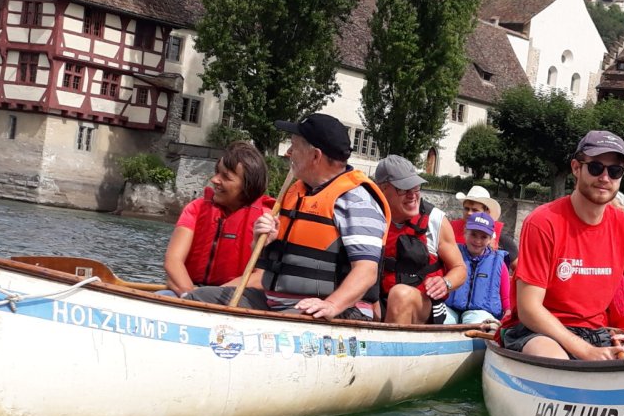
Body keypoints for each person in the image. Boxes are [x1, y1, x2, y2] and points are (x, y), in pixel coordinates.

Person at [185, 113, 388, 319]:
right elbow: (268, 266)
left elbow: (366, 272)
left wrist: (331, 305)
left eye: (294, 146)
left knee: (273, 321)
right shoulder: (295, 192)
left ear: (315, 156)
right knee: (195, 299)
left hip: (334, 309)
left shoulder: (357, 201)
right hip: (272, 302)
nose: (288, 152)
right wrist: (262, 243)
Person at [500, 129, 624, 360]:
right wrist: (586, 351)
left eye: (615, 171)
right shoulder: (542, 222)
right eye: (596, 167)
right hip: (539, 331)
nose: (605, 178)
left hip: (595, 333)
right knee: (553, 357)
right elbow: (529, 309)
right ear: (576, 168)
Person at [163, 141, 272, 293]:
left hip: (236, 296)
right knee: (164, 295)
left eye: (225, 176)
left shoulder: (266, 220)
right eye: (217, 172)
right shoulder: (195, 208)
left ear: (248, 186)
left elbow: (261, 277)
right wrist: (191, 296)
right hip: (189, 290)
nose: (214, 179)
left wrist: (210, 296)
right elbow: (173, 260)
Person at [373, 155, 467, 325]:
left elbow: (460, 269)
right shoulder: (368, 216)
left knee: (400, 295)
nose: (412, 195)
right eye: (403, 189)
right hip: (378, 300)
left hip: (424, 306)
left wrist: (445, 283)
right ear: (382, 189)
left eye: (416, 187)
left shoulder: (435, 220)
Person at [445, 211, 513, 324]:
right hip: (450, 308)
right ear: (465, 232)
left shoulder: (498, 262)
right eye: (473, 234)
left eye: (484, 237)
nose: (477, 241)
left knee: (476, 322)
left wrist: (508, 311)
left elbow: (506, 297)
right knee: (443, 320)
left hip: (481, 312)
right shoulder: (453, 254)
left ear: (490, 239)